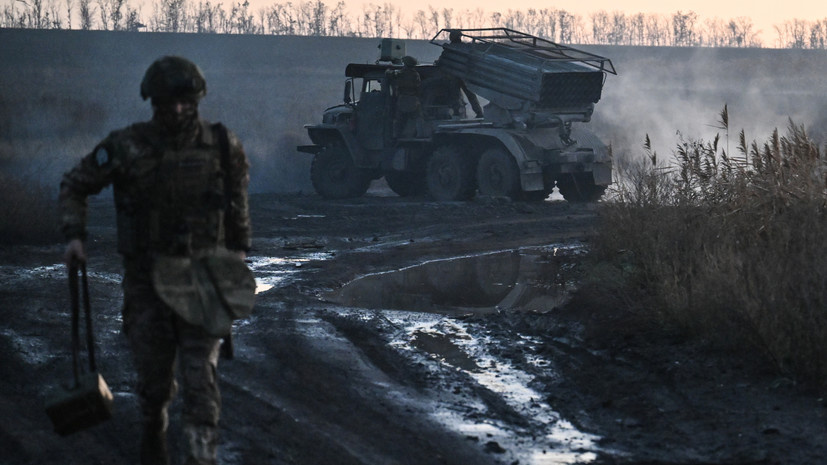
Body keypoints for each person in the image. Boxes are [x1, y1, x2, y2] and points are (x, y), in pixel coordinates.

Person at [59, 56, 251, 465]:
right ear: (153, 102)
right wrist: (73, 236)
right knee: (154, 384)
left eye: (185, 101)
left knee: (202, 385)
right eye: (168, 102)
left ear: (196, 100)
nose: (177, 110)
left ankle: (202, 457)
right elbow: (75, 184)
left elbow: (237, 200)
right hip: (147, 284)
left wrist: (238, 251)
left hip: (203, 282)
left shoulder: (221, 144)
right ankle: (153, 433)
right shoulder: (126, 147)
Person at [387, 55, 423, 138]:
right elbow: (418, 87)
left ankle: (396, 136)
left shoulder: (401, 73)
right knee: (418, 118)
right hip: (414, 99)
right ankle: (419, 134)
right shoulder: (416, 74)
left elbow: (389, 74)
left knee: (399, 119)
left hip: (403, 99)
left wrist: (389, 69)